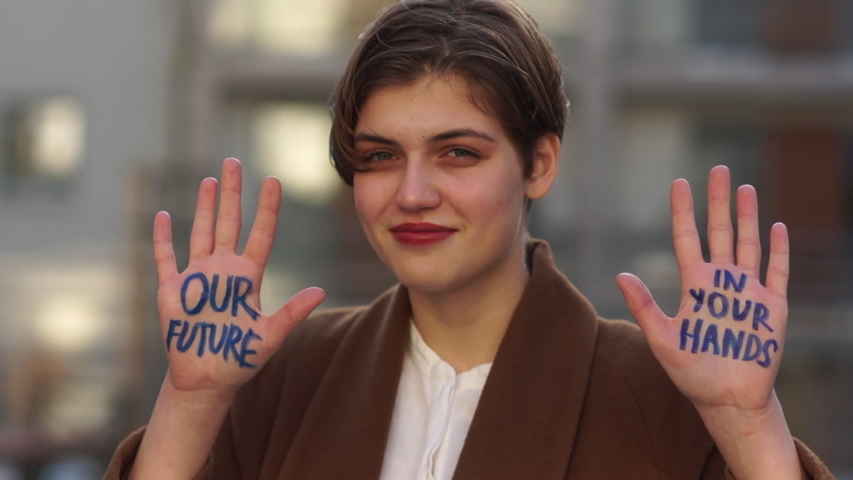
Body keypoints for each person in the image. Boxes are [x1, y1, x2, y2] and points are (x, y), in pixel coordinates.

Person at [104, 0, 835, 478]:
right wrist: (191, 401)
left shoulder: (667, 393)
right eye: (380, 156)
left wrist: (747, 426)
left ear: (539, 164)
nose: (412, 193)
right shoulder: (278, 374)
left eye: (458, 153)